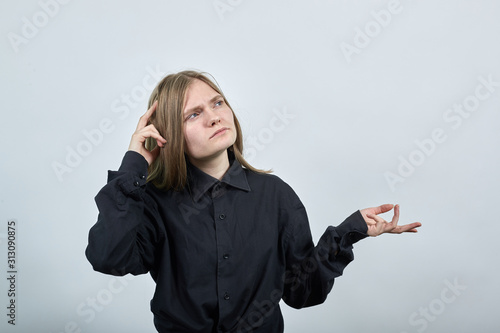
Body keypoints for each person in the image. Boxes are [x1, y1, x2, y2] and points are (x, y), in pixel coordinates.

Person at [85, 70, 421, 333]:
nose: (214, 117)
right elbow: (108, 257)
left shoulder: (275, 195)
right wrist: (135, 162)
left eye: (218, 103)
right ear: (167, 133)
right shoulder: (153, 203)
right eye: (193, 114)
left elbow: (302, 293)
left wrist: (349, 233)